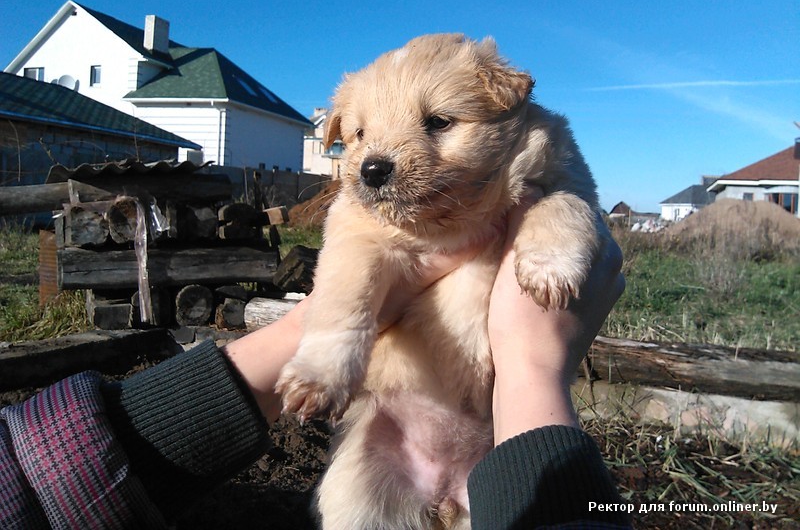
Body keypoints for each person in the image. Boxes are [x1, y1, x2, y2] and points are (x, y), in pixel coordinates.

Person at [0, 195, 629, 529]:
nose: (377, 158)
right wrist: (533, 375)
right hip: (396, 437)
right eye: (356, 135)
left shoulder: (535, 160)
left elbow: (31, 483)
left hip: (483, 447)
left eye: (439, 122)